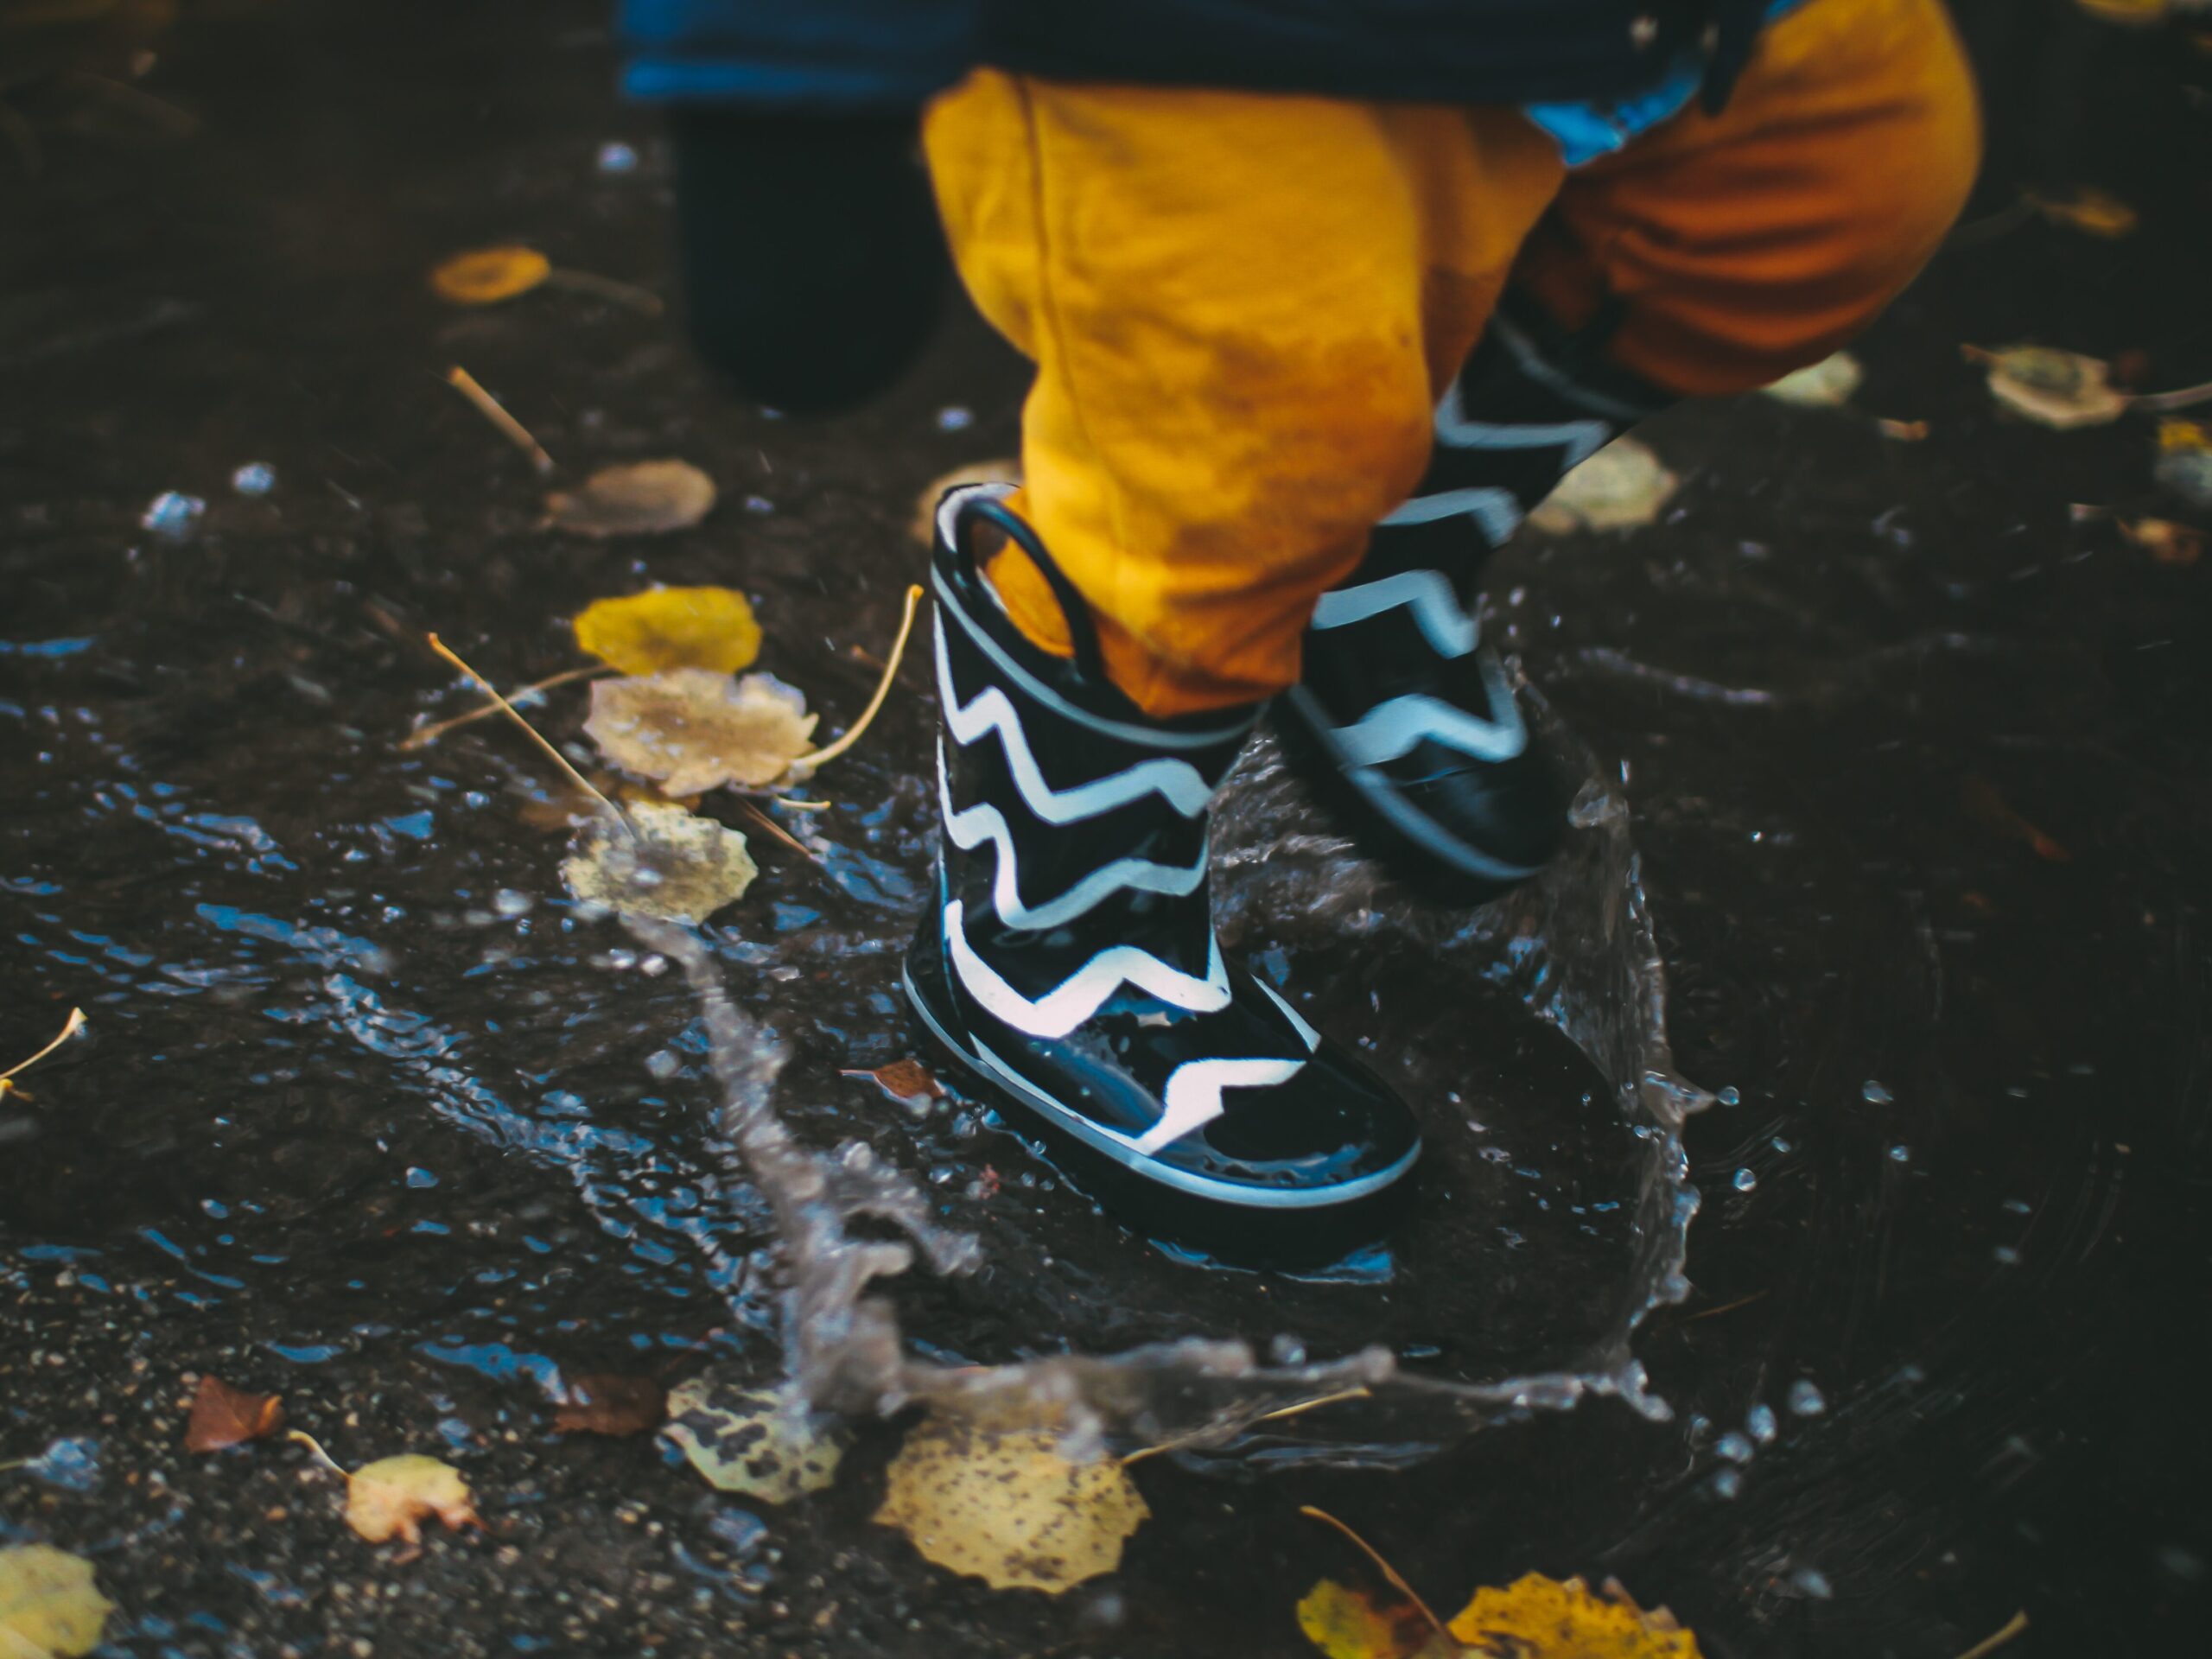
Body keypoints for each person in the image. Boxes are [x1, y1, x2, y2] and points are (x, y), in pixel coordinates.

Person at [621, 0, 1980, 1220]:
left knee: (1841, 185)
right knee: (1246, 445)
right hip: (1194, 51)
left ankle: (1367, 552)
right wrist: (778, 67)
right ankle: (1050, 941)